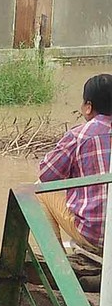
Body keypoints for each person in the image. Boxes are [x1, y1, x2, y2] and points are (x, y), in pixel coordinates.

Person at [38, 73, 112, 252]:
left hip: (96, 236)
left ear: (88, 107)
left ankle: (59, 264)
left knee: (39, 190)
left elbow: (46, 175)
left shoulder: (79, 135)